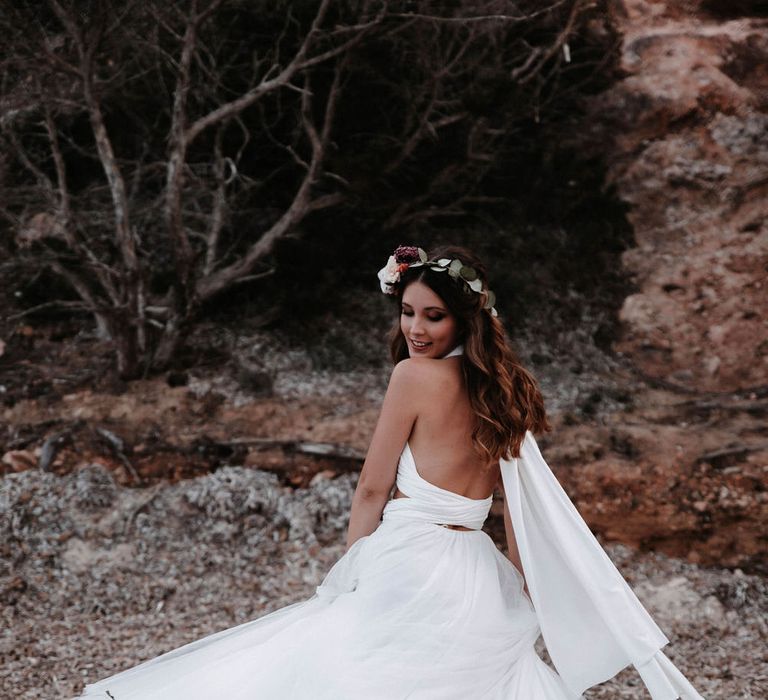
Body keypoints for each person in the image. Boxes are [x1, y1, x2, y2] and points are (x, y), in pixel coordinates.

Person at [77, 244, 705, 700]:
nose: (415, 329)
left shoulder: (413, 378)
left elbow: (374, 486)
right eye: (407, 312)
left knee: (350, 670)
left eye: (433, 315)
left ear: (464, 318)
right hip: (476, 567)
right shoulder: (505, 391)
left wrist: (353, 565)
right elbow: (513, 506)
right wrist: (518, 579)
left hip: (409, 555)